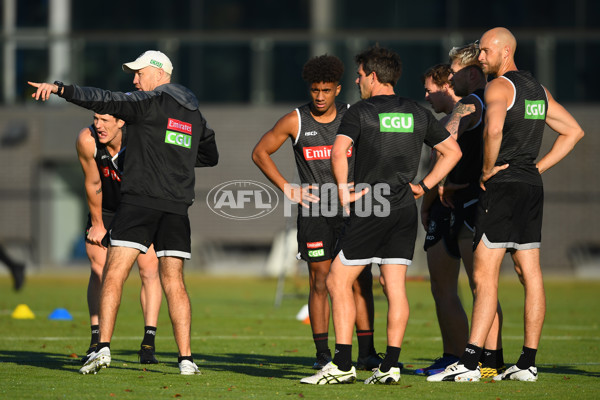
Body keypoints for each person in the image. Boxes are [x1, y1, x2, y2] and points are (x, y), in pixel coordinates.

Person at [29, 49, 219, 376]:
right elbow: (209, 154)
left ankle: (102, 349)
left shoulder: (148, 102)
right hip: (176, 207)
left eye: (139, 73)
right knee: (174, 281)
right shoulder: (193, 114)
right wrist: (174, 152)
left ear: (159, 74)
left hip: (140, 202)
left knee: (114, 273)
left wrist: (61, 89)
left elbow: (103, 99)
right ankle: (186, 359)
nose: (134, 80)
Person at [428, 27, 584, 383]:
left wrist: (486, 171)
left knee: (484, 276)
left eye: (484, 51)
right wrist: (538, 167)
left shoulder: (500, 86)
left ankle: (468, 363)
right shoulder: (539, 91)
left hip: (502, 187)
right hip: (531, 187)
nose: (480, 57)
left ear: (504, 50)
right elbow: (573, 131)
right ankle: (527, 363)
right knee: (530, 273)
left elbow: (493, 131)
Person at [301, 46, 462, 385]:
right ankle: (390, 365)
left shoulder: (361, 111)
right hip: (403, 207)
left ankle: (342, 365)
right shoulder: (418, 112)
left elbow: (338, 153)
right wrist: (424, 186)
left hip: (372, 205)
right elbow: (452, 151)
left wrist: (344, 192)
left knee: (336, 281)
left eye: (359, 76)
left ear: (373, 76)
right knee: (394, 286)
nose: (357, 81)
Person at [252, 54, 383, 371]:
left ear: (338, 89)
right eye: (315, 90)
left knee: (360, 281)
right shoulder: (295, 120)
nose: (320, 96)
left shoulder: (355, 115)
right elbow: (260, 152)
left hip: (353, 210)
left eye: (326, 90)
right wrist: (287, 186)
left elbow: (381, 150)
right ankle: (323, 354)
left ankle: (366, 352)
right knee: (320, 282)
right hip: (315, 213)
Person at [417, 43, 505, 378]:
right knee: (446, 286)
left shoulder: (472, 103)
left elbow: (445, 145)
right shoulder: (481, 104)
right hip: (451, 205)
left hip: (467, 203)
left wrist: (429, 193)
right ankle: (455, 355)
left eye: (452, 75)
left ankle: (488, 360)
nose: (449, 82)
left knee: (480, 286)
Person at [76, 112, 162, 365]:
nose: (98, 126)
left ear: (121, 122)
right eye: (96, 119)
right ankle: (97, 341)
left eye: (105, 120)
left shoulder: (140, 139)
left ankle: (148, 344)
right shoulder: (87, 140)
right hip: (105, 208)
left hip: (138, 207)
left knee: (149, 270)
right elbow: (93, 183)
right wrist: (98, 224)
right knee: (100, 271)